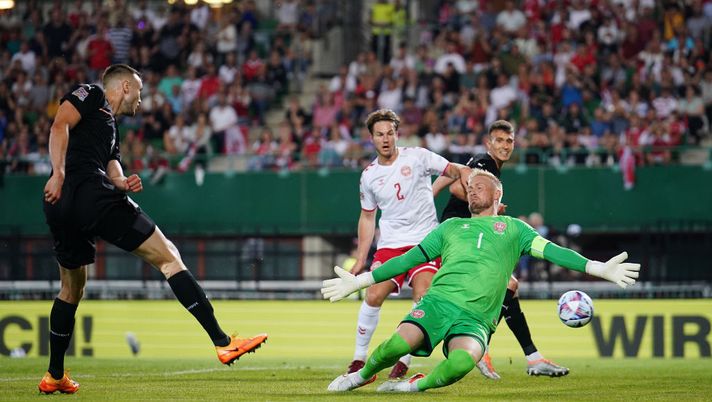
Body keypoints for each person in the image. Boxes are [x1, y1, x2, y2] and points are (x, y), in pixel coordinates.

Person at [38, 64, 267, 394]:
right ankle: (222, 341)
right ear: (126, 87)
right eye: (140, 92)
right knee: (169, 257)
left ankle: (54, 375)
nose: (141, 100)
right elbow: (59, 125)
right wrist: (58, 173)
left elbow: (111, 167)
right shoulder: (92, 93)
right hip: (81, 190)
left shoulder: (108, 126)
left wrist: (122, 183)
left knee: (71, 288)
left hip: (62, 205)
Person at [323, 168, 640, 393]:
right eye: (469, 185)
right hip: (438, 304)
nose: (472, 187)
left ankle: (410, 387)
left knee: (460, 363)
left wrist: (598, 268)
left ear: (498, 193)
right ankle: (361, 376)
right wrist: (359, 281)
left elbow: (554, 252)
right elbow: (408, 260)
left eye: (480, 184)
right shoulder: (450, 228)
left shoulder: (514, 229)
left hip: (477, 318)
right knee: (396, 344)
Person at [432, 120, 568, 379]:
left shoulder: (485, 164)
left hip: (468, 235)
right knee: (508, 285)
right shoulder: (485, 164)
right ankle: (481, 345)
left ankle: (532, 358)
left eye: (509, 141)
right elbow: (456, 186)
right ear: (489, 143)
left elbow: (449, 176)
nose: (505, 146)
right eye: (499, 141)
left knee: (509, 288)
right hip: (463, 235)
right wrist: (487, 202)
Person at [345, 109, 468, 380]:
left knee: (422, 296)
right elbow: (368, 217)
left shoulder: (418, 156)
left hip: (426, 242)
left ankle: (404, 358)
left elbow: (452, 170)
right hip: (390, 245)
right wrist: (360, 258)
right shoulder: (369, 176)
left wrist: (468, 177)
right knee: (373, 295)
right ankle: (358, 358)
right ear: (372, 138)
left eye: (390, 133)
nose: (386, 138)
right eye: (380, 134)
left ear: (397, 134)